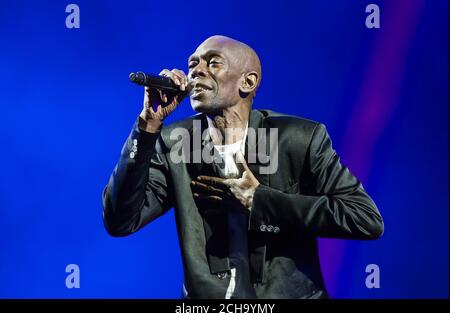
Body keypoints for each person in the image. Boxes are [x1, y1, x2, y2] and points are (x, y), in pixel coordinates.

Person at [102, 35, 384, 299]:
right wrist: (148, 126)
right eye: (193, 64)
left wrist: (259, 200)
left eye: (213, 63)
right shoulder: (175, 142)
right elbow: (120, 221)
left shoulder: (298, 139)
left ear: (247, 82)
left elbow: (363, 218)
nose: (197, 71)